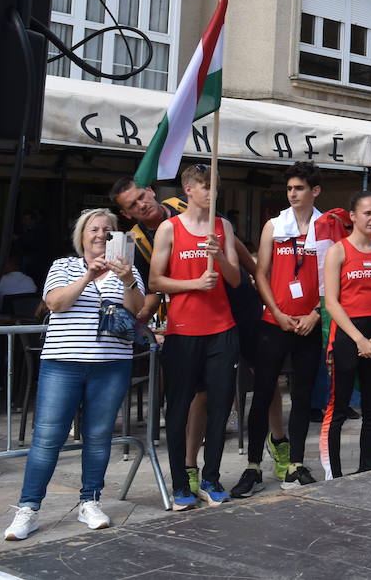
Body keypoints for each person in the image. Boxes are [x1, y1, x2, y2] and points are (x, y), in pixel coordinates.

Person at [3, 209, 144, 541]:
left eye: (108, 231)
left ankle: (89, 501)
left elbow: (136, 309)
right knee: (48, 437)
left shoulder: (128, 269)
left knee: (98, 437)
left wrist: (126, 280)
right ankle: (29, 507)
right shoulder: (62, 266)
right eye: (93, 230)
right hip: (63, 363)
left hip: (110, 364)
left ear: (116, 238)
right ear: (81, 236)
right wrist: (86, 277)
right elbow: (55, 303)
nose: (100, 235)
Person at [148, 165, 243, 510]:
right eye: (205, 187)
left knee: (219, 407)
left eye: (215, 186)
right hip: (183, 331)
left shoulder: (223, 227)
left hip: (221, 329)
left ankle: (211, 477)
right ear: (188, 189)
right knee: (178, 410)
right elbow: (155, 281)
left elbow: (234, 279)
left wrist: (219, 256)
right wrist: (192, 284)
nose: (211, 193)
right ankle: (179, 484)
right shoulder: (168, 228)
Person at [231, 162, 326, 499]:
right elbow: (261, 274)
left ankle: (296, 463)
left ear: (315, 191)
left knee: (302, 396)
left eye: (299, 188)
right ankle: (254, 466)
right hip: (275, 322)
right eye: (289, 189)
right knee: (264, 393)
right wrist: (276, 312)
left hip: (310, 324)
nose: (293, 194)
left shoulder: (327, 227)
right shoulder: (274, 226)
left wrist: (317, 313)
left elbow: (335, 277)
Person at [320, 191, 371, 478]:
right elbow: (331, 303)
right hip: (348, 336)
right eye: (368, 213)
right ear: (353, 216)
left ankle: (366, 471)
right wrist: (359, 340)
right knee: (338, 409)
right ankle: (334, 473)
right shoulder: (338, 251)